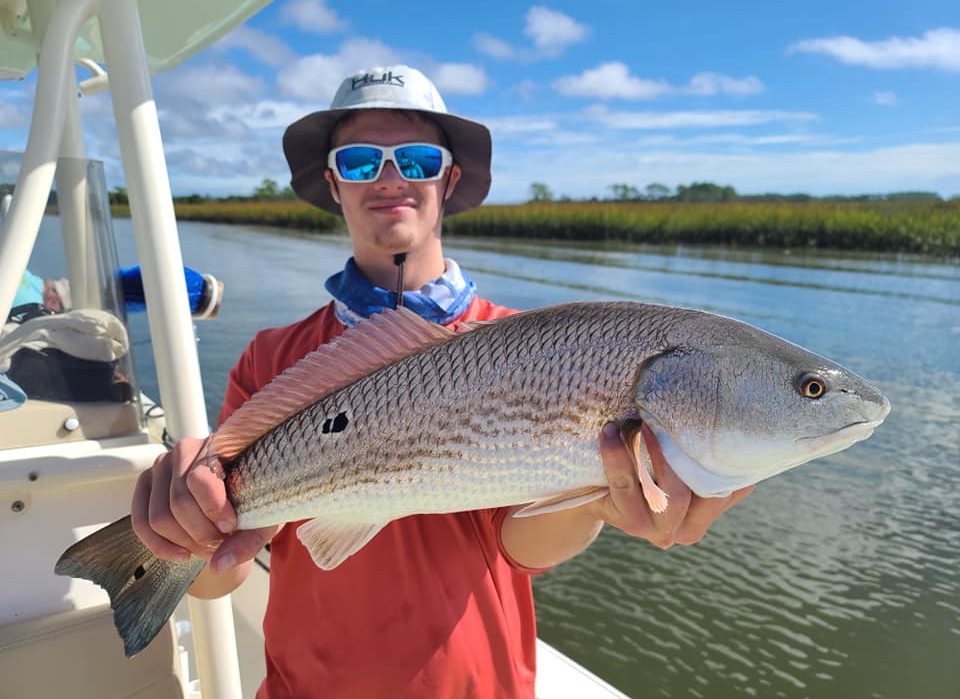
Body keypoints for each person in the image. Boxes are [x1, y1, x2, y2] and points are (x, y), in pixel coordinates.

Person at [130, 65, 754, 698]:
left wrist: (596, 499)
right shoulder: (272, 357)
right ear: (333, 181)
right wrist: (180, 531)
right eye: (360, 161)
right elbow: (218, 574)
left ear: (449, 177)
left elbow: (524, 545)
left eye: (419, 158)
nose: (391, 178)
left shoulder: (541, 347)